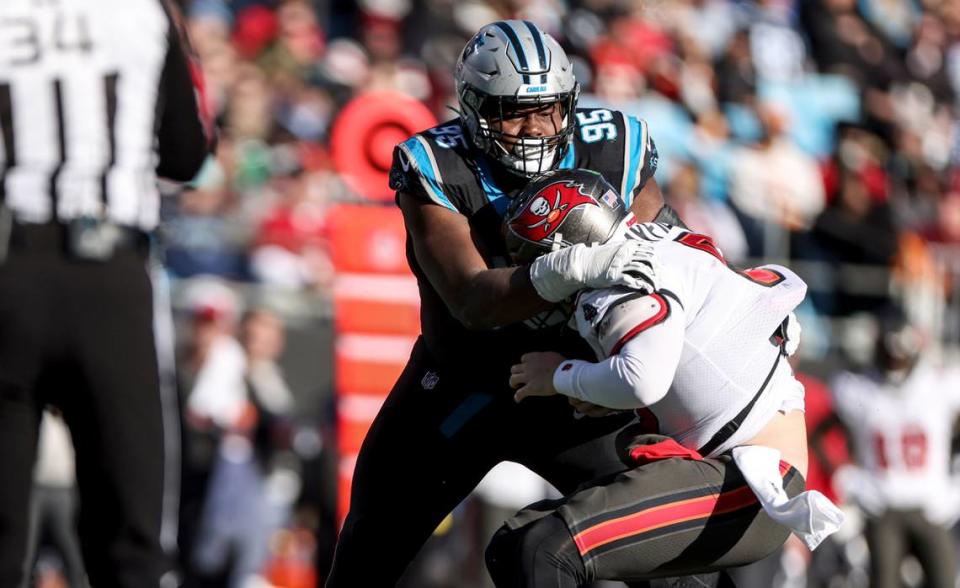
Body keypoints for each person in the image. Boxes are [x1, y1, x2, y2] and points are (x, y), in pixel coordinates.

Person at [327, 20, 674, 586]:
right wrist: (578, 265)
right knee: (367, 554)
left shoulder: (617, 144)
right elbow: (471, 299)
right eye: (512, 112)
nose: (534, 128)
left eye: (548, 110)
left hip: (575, 390)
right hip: (465, 386)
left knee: (678, 564)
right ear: (473, 108)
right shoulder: (436, 164)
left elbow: (675, 260)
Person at [488, 169, 844, 586]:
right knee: (512, 545)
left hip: (747, 480)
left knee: (545, 549)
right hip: (727, 469)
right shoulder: (664, 240)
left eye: (537, 260)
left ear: (569, 246)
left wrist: (562, 375)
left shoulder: (618, 279)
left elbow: (643, 380)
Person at [0, 0, 214, 585]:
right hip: (108, 276)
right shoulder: (143, 13)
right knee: (130, 534)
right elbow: (186, 154)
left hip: (10, 266)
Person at [829, 308, 960, 588]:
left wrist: (955, 481)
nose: (895, 363)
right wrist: (847, 475)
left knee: (945, 579)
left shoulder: (940, 384)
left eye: (901, 355)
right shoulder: (859, 387)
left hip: (929, 505)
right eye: (890, 355)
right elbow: (822, 436)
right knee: (884, 581)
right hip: (883, 504)